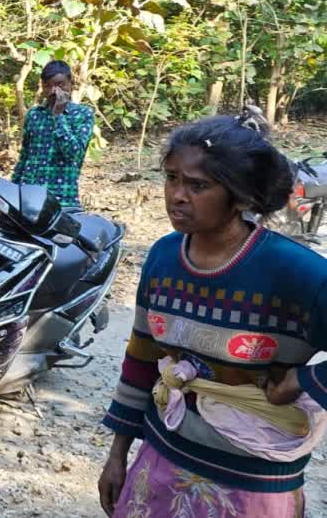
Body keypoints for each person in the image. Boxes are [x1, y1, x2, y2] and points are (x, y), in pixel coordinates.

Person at [98, 109, 327, 517]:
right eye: (171, 178)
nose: (177, 195)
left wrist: (302, 379)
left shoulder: (298, 273)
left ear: (240, 195)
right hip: (161, 461)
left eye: (197, 185)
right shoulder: (163, 257)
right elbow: (141, 357)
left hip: (250, 483)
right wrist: (118, 454)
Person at [12, 60, 95, 208]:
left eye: (59, 84)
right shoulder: (34, 114)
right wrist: (12, 189)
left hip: (62, 199)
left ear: (70, 84)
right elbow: (24, 156)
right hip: (28, 195)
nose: (53, 91)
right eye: (47, 86)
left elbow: (74, 154)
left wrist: (58, 116)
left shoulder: (83, 114)